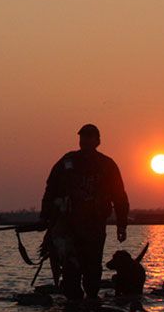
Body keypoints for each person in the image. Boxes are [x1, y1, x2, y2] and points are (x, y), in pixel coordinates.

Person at [40, 124, 131, 301]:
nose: (85, 141)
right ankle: (73, 304)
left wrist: (122, 225)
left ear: (98, 141)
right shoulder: (67, 162)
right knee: (70, 268)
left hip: (94, 226)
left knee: (92, 268)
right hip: (69, 227)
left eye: (89, 137)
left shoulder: (107, 165)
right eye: (83, 137)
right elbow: (51, 189)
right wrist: (45, 216)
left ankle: (90, 303)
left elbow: (119, 196)